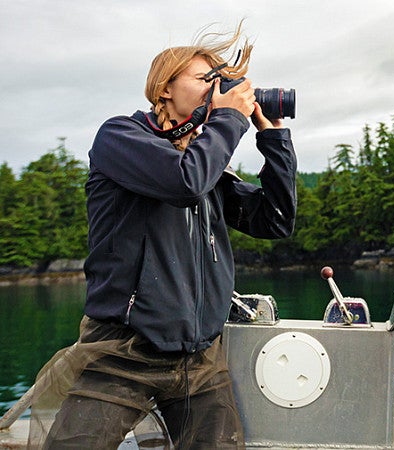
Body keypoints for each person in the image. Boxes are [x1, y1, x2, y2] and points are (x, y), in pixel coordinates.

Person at [27, 23, 297, 449]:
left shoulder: (206, 164)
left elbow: (276, 220)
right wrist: (228, 119)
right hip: (122, 351)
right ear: (163, 88)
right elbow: (182, 182)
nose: (217, 89)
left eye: (220, 81)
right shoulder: (120, 138)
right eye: (205, 79)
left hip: (200, 358)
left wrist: (274, 137)